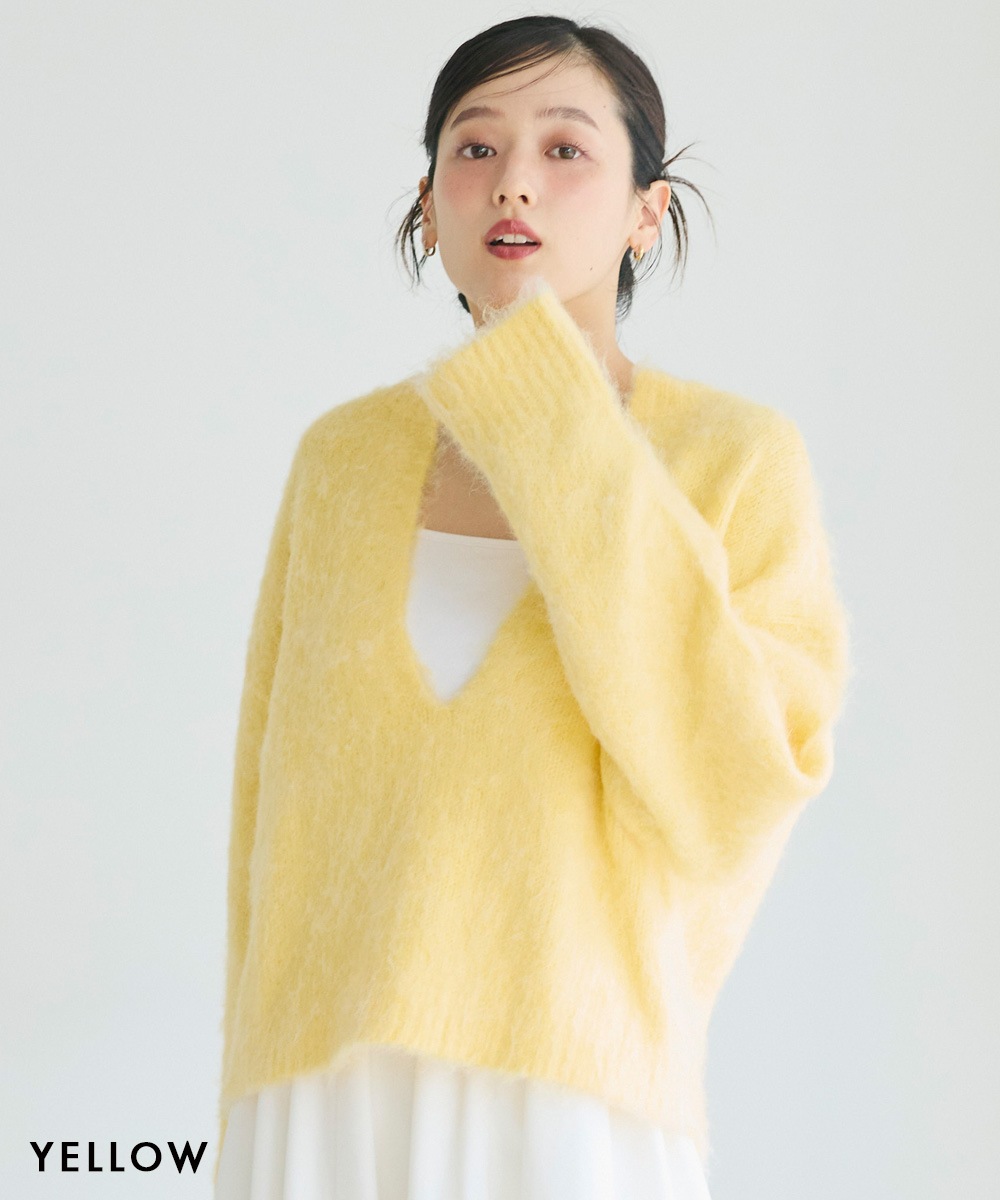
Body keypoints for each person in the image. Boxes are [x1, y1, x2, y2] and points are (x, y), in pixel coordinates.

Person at [213, 14, 854, 1199]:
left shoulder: (734, 459)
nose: (513, 181)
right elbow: (265, 814)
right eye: (474, 148)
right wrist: (250, 1090)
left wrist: (542, 393)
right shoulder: (340, 459)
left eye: (565, 150)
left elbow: (733, 789)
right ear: (428, 206)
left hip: (575, 1099)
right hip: (320, 1090)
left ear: (646, 212)